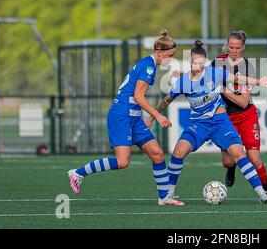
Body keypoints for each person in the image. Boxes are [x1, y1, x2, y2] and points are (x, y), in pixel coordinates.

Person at [146, 40, 267, 204]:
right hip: (199, 125)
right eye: (194, 62)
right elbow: (167, 100)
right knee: (178, 151)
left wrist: (258, 82)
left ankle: (262, 194)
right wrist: (152, 117)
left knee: (238, 154)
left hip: (220, 122)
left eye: (200, 63)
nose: (197, 66)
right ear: (190, 62)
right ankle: (168, 195)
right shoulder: (183, 82)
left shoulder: (214, 73)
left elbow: (237, 78)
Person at [67, 30, 184, 206]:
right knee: (123, 162)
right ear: (159, 52)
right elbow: (138, 96)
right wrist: (157, 115)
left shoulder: (149, 64)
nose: (170, 60)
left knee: (158, 155)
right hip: (121, 115)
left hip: (133, 117)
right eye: (169, 56)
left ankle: (164, 197)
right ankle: (77, 173)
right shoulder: (148, 66)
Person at [211, 30, 267, 202]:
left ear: (243, 47)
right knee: (228, 162)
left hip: (246, 115)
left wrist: (222, 89)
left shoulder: (248, 67)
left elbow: (243, 102)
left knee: (254, 158)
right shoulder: (217, 63)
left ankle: (266, 192)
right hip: (225, 118)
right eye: (231, 47)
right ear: (227, 45)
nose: (234, 51)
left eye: (237, 48)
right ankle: (231, 168)